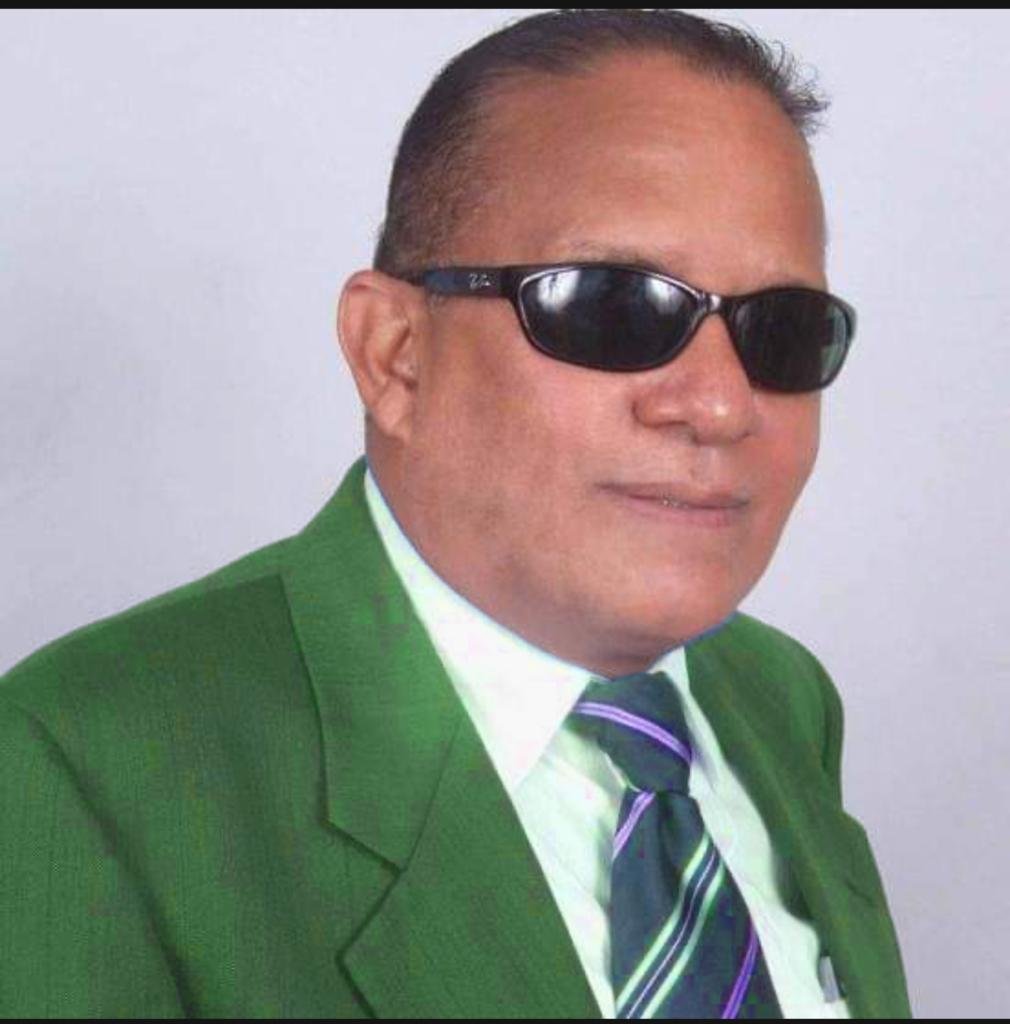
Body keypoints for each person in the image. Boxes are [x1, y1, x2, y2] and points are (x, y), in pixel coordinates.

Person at [0, 9, 912, 1019]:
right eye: (611, 306)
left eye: (781, 329)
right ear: (394, 354)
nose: (718, 404)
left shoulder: (779, 696)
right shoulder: (75, 766)